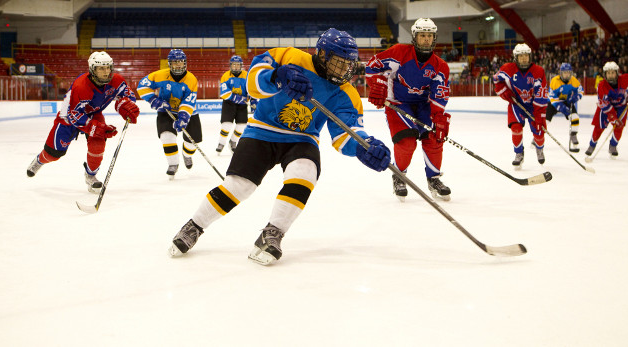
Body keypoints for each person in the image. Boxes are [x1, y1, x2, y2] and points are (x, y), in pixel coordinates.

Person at [168, 28, 391, 265]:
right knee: (239, 186)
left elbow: (345, 132)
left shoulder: (345, 92)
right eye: (339, 63)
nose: (345, 70)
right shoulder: (288, 56)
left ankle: (272, 233)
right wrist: (276, 77)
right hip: (261, 130)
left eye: (349, 64)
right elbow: (253, 80)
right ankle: (195, 226)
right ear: (323, 55)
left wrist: (363, 146)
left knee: (305, 174)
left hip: (302, 139)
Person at [26, 51, 139, 192]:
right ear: (92, 70)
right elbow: (73, 115)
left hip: (94, 114)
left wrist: (126, 106)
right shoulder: (81, 86)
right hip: (68, 117)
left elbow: (127, 95)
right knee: (54, 154)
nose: (106, 72)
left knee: (98, 144)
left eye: (108, 67)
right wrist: (96, 128)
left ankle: (91, 177)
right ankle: (39, 160)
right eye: (101, 68)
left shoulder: (117, 80)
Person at [366, 17, 452, 201]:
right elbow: (372, 66)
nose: (426, 39)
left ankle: (434, 178)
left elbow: (439, 95)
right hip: (398, 102)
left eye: (430, 36)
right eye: (422, 35)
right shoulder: (399, 53)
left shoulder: (440, 66)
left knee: (433, 137)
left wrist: (438, 117)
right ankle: (399, 175)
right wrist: (378, 83)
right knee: (407, 142)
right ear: (414, 37)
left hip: (423, 105)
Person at [137, 49, 200, 179]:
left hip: (189, 112)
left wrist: (183, 116)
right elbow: (142, 86)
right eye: (175, 62)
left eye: (181, 62)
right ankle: (173, 163)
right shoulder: (159, 75)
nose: (178, 65)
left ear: (185, 63)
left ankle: (187, 155)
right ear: (170, 63)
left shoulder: (191, 79)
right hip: (166, 111)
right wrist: (154, 99)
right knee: (166, 136)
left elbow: (189, 101)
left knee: (193, 142)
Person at [493, 43, 549, 168]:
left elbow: (542, 93)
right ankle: (519, 153)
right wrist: (506, 93)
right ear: (515, 58)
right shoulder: (508, 69)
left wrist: (539, 115)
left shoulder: (538, 71)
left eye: (526, 56)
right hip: (516, 103)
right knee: (516, 128)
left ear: (530, 57)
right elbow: (497, 80)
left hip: (535, 106)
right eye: (521, 56)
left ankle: (539, 148)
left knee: (539, 132)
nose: (524, 58)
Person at [585, 61, 628, 158]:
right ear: (605, 74)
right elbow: (604, 104)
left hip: (621, 106)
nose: (610, 75)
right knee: (599, 127)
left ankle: (613, 145)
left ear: (617, 73)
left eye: (612, 72)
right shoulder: (601, 85)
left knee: (619, 127)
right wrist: (612, 117)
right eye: (608, 73)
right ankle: (592, 145)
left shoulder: (625, 79)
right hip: (606, 109)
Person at [546, 62, 583, 152]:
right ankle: (537, 137)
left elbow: (580, 91)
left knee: (575, 117)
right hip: (553, 102)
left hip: (567, 101)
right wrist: (561, 107)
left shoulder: (574, 80)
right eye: (565, 72)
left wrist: (575, 97)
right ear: (561, 73)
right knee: (545, 120)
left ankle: (573, 135)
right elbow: (552, 97)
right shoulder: (555, 81)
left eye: (568, 72)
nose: (567, 74)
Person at [216, 55, 249, 154]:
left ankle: (233, 141)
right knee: (226, 125)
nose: (236, 67)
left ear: (241, 66)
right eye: (234, 65)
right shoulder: (226, 75)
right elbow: (224, 93)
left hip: (242, 105)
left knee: (242, 125)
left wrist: (254, 100)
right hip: (229, 103)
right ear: (230, 65)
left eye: (238, 65)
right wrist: (239, 98)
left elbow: (251, 89)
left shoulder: (246, 75)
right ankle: (221, 142)